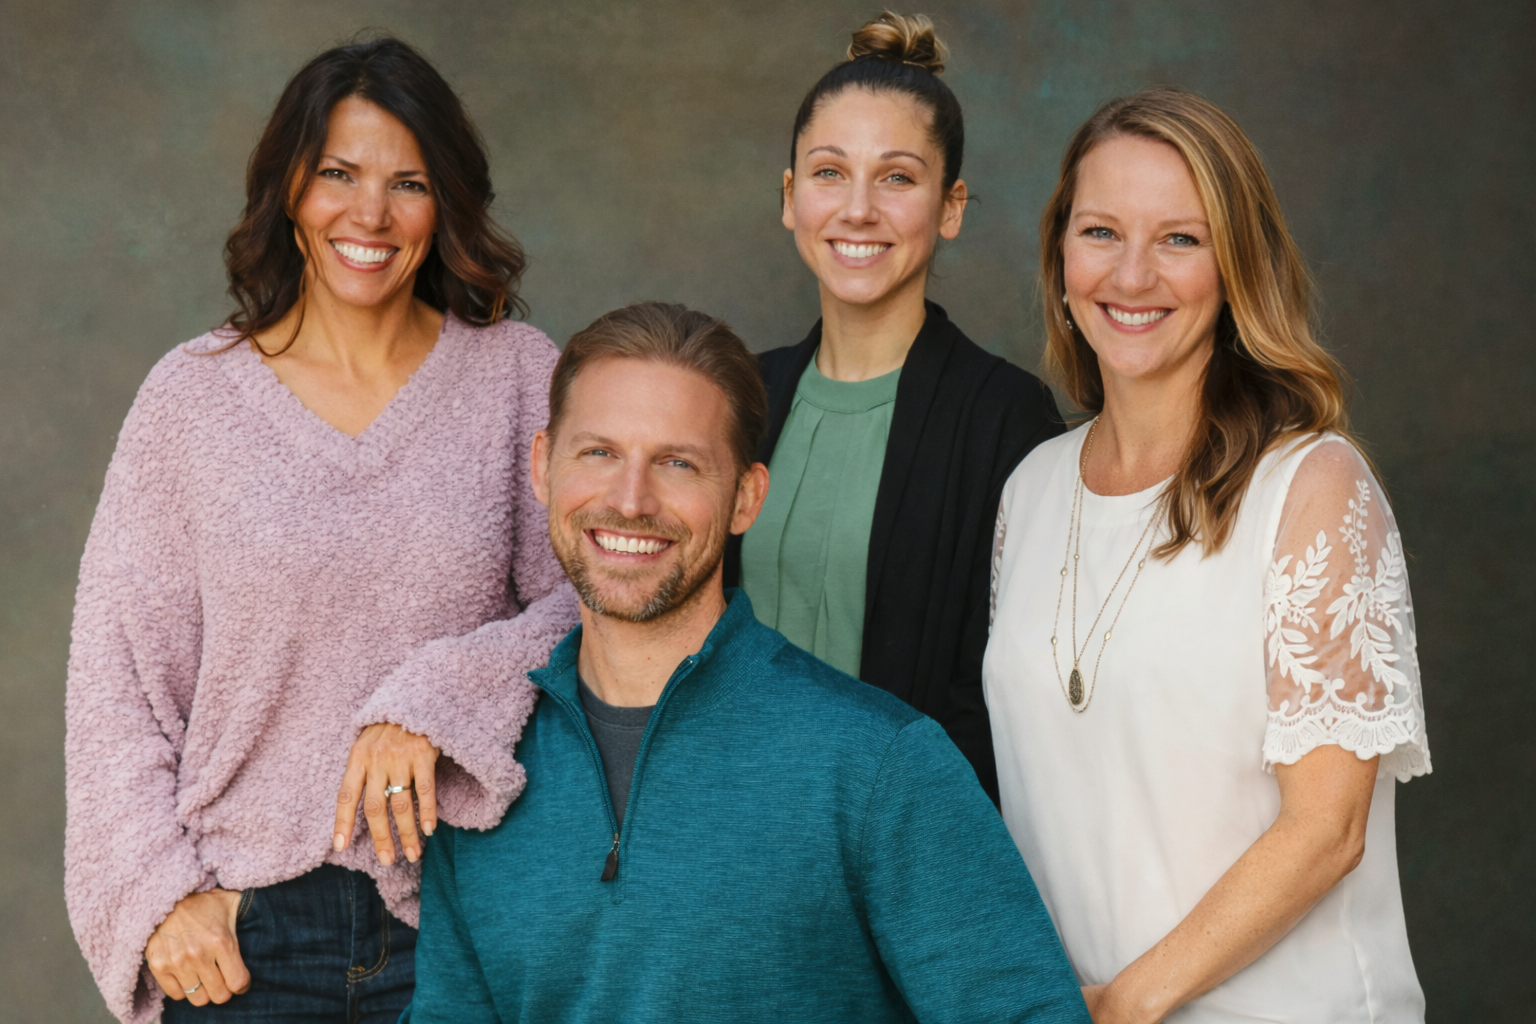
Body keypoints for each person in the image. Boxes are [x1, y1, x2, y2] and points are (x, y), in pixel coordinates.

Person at [64, 37, 577, 1023]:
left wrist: (432, 701)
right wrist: (157, 897)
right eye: (338, 173)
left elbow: (594, 612)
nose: (369, 214)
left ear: (447, 203)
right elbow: (116, 684)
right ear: (289, 189)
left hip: (464, 926)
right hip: (246, 938)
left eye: (408, 182)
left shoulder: (516, 377)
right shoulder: (192, 400)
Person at [403, 301, 1090, 1024]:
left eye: (678, 463)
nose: (631, 500)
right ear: (543, 467)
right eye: (599, 453)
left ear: (746, 498)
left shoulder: (877, 765)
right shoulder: (485, 772)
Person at [985, 88, 1431, 1022]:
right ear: (1060, 254)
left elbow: (1327, 830)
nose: (1133, 274)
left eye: (1180, 240)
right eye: (1101, 231)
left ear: (1236, 267)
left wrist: (1121, 1006)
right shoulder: (1029, 490)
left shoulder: (1313, 488)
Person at [723, 12, 1063, 803]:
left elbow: (1013, 701)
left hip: (907, 858)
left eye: (899, 178)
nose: (858, 210)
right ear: (790, 195)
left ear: (951, 206)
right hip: (735, 839)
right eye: (830, 172)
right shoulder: (739, 398)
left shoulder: (1009, 422)